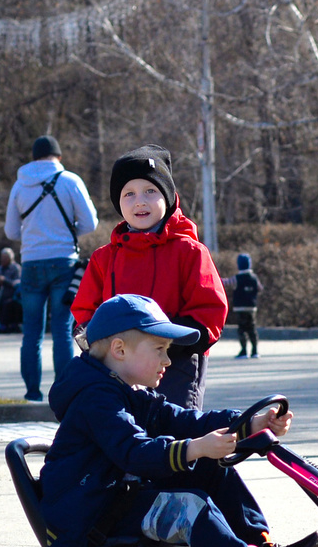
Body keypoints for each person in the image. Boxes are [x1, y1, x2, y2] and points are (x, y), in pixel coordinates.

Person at [35, 294, 311, 547]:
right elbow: (134, 452)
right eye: (159, 350)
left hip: (116, 496)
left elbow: (183, 420)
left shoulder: (129, 390)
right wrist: (194, 447)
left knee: (212, 467)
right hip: (89, 517)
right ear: (120, 350)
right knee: (187, 506)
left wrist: (249, 423)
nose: (168, 362)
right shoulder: (96, 399)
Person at [69, 146, 229, 409]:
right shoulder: (103, 258)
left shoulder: (189, 251)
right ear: (118, 203)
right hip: (117, 365)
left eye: (150, 191)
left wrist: (165, 344)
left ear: (168, 197)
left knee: (175, 435)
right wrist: (100, 346)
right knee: (123, 434)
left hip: (175, 363)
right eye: (129, 194)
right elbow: (85, 311)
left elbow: (209, 311)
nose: (140, 201)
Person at [2, 134, 99, 402]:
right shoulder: (70, 181)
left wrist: (35, 236)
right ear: (58, 156)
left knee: (31, 332)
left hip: (31, 262)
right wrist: (65, 233)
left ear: (33, 157)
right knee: (62, 331)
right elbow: (90, 223)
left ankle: (32, 392)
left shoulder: (20, 185)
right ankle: (64, 394)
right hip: (64, 262)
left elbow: (11, 230)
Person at [230, 253, 262, 357]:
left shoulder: (237, 278)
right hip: (251, 307)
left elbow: (225, 282)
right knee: (252, 328)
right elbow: (260, 288)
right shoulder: (254, 278)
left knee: (242, 329)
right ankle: (255, 350)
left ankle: (243, 350)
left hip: (240, 307)